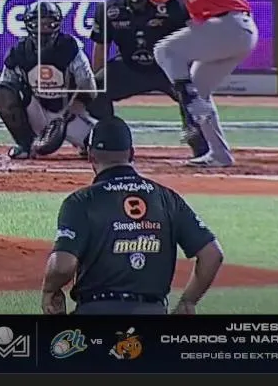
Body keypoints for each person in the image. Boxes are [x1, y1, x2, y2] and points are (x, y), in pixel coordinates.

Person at [42, 116, 225, 315]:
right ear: (131, 153)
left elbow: (62, 267)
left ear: (91, 155)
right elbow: (212, 254)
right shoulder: (167, 198)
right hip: (153, 311)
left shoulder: (81, 201)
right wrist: (187, 302)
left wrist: (50, 289)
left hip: (95, 310)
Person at [146, 0, 258, 167]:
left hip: (225, 27)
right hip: (238, 30)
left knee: (165, 50)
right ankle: (219, 153)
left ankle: (190, 99)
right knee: (200, 87)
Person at [86, 0, 209, 159]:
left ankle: (198, 139)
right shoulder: (109, 8)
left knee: (194, 92)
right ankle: (108, 138)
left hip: (167, 68)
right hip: (130, 67)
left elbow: (193, 37)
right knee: (95, 89)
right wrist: (96, 78)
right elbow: (101, 46)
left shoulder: (173, 4)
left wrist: (192, 73)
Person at [0, 2, 98, 160]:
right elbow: (6, 87)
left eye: (48, 24)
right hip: (36, 110)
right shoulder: (18, 51)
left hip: (68, 113)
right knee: (1, 92)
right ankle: (25, 144)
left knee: (104, 144)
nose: (42, 29)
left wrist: (70, 112)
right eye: (37, 23)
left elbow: (89, 87)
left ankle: (85, 142)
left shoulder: (70, 48)